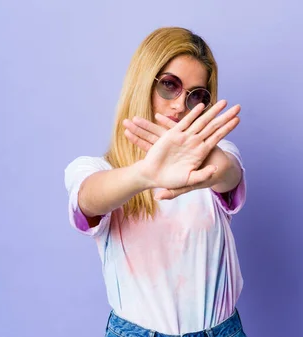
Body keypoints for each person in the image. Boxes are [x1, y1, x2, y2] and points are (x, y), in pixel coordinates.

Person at [64, 27, 248, 337]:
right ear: (143, 83)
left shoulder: (216, 158)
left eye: (195, 95)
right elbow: (87, 198)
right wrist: (145, 174)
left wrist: (202, 161)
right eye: (169, 86)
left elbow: (228, 173)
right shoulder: (98, 169)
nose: (179, 105)